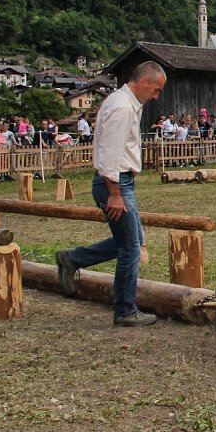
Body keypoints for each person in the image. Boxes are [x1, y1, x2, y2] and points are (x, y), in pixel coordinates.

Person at [56, 61, 167, 327]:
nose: (156, 96)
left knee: (132, 239)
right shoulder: (121, 107)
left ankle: (72, 258)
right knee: (130, 247)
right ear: (143, 82)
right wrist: (114, 193)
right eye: (155, 90)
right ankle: (125, 310)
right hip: (114, 184)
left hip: (119, 182)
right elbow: (109, 153)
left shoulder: (124, 103)